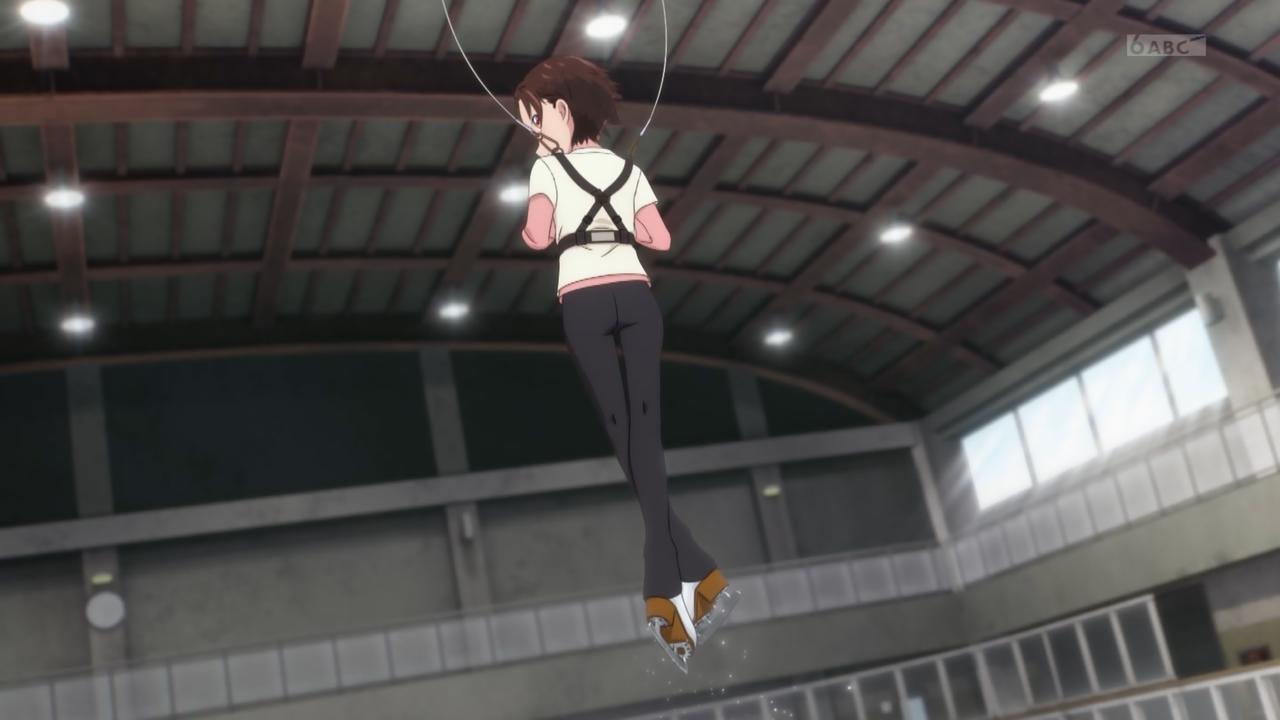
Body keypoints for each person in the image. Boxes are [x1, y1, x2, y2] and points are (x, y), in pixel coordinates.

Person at [515, 56, 738, 673]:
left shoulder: (545, 168)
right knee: (646, 431)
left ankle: (668, 581)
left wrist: (550, 183)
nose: (531, 128)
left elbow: (536, 238)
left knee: (623, 433)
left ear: (560, 111)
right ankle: (696, 574)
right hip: (636, 297)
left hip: (583, 300)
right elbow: (659, 239)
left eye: (534, 117)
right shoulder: (627, 169)